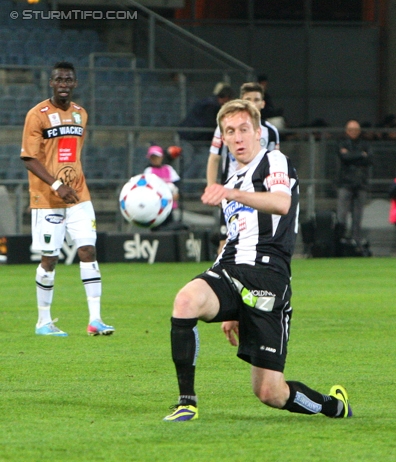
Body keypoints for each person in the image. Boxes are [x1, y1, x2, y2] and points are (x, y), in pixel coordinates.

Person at [163, 99, 352, 422]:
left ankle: (332, 406)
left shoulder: (273, 160)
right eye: (229, 132)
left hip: (268, 276)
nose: (237, 138)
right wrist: (228, 306)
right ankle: (187, 402)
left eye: (243, 130)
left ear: (258, 133)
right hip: (230, 268)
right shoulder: (232, 179)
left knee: (270, 393)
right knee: (185, 301)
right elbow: (233, 237)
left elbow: (280, 203)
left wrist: (230, 194)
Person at [21, 61, 114, 337]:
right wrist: (57, 184)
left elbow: (71, 154)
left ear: (74, 84)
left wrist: (70, 183)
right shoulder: (37, 115)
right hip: (47, 198)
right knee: (49, 258)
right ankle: (43, 322)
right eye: (59, 79)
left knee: (88, 251)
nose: (63, 84)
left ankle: (95, 320)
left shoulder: (80, 114)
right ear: (51, 82)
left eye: (68, 80)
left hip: (79, 196)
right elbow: (29, 158)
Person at [207, 82, 281, 254]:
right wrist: (212, 187)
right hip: (231, 191)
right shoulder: (226, 127)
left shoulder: (270, 132)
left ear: (263, 103)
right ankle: (225, 278)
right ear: (242, 101)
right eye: (248, 99)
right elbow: (214, 157)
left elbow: (274, 162)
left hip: (257, 193)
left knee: (258, 239)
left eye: (257, 99)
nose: (253, 103)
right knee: (225, 241)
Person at [336, 119, 372, 245]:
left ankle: (356, 241)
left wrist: (352, 156)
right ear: (346, 131)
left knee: (358, 216)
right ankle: (340, 240)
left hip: (361, 183)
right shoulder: (341, 143)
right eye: (351, 130)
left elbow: (369, 159)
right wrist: (360, 155)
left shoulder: (365, 144)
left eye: (356, 130)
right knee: (342, 215)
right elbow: (344, 157)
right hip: (345, 183)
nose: (353, 132)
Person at [143, 144, 181, 231]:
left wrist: (177, 194)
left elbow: (177, 184)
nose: (155, 160)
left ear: (162, 157)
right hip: (155, 208)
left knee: (170, 228)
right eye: (152, 157)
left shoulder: (168, 169)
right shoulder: (148, 171)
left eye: (157, 157)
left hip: (169, 207)